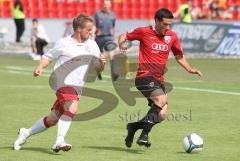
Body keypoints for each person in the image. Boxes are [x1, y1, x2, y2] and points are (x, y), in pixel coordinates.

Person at [13, 14, 106, 152]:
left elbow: (98, 68)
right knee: (72, 108)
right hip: (62, 81)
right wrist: (39, 67)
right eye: (89, 29)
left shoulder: (92, 45)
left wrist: (101, 64)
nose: (91, 31)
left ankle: (26, 132)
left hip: (77, 86)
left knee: (53, 119)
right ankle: (59, 141)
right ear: (78, 29)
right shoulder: (63, 43)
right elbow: (48, 57)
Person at [118, 8, 202, 148]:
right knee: (161, 100)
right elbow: (123, 35)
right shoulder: (144, 31)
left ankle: (133, 127)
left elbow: (179, 56)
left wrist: (190, 69)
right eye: (165, 24)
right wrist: (121, 44)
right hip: (144, 77)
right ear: (157, 21)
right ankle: (144, 134)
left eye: (169, 24)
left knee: (162, 114)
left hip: (158, 80)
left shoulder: (172, 36)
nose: (167, 28)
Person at [94, 0, 117, 81]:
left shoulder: (113, 15)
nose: (106, 6)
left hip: (109, 38)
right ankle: (98, 72)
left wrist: (114, 37)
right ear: (102, 5)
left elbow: (113, 27)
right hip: (99, 38)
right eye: (105, 4)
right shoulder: (97, 14)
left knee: (111, 54)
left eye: (108, 4)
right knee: (100, 58)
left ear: (110, 5)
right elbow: (94, 26)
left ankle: (113, 73)